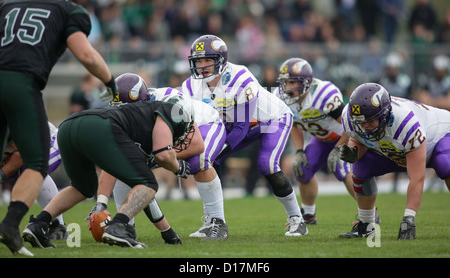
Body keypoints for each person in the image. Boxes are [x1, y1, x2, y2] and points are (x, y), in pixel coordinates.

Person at [0, 0, 118, 256]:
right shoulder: (69, 11)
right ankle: (10, 226)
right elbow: (86, 54)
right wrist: (110, 82)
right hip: (20, 84)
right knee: (36, 163)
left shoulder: (6, 6)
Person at [22, 95, 203, 249]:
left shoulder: (139, 123)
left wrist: (167, 232)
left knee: (83, 187)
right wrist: (178, 167)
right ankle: (117, 227)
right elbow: (163, 155)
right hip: (99, 126)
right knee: (148, 183)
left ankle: (38, 223)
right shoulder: (172, 109)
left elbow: (142, 194)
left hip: (69, 126)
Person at [182, 34, 308, 236]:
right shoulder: (189, 87)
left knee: (267, 165)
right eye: (199, 61)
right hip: (235, 123)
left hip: (270, 120)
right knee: (205, 161)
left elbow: (241, 126)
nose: (203, 65)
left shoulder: (240, 77)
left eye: (208, 60)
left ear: (221, 61)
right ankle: (215, 222)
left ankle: (297, 219)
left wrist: (216, 151)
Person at [92, 72, 228, 241]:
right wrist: (101, 203)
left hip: (205, 124)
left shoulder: (171, 103)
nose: (123, 115)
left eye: (127, 110)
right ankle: (125, 227)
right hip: (169, 140)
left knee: (199, 162)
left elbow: (196, 145)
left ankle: (217, 222)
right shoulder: (132, 115)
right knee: (123, 167)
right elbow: (113, 162)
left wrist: (157, 158)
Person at [338, 83, 450, 239]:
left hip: (439, 137)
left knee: (446, 164)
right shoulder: (352, 118)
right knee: (361, 165)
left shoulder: (405, 124)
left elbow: (417, 177)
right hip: (395, 149)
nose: (364, 127)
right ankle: (366, 224)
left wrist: (408, 218)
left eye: (369, 121)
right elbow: (359, 140)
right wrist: (354, 152)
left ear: (384, 114)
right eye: (360, 122)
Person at [275, 57, 356, 225]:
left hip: (345, 136)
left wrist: (339, 148)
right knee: (301, 167)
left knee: (341, 168)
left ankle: (369, 213)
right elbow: (294, 124)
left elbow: (350, 124)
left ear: (306, 82)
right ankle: (309, 215)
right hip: (321, 139)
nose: (288, 87)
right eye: (285, 82)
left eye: (293, 82)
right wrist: (299, 151)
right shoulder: (281, 97)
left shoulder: (322, 94)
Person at [1, 122, 68, 240]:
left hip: (48, 139)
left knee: (33, 171)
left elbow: (20, 156)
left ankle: (58, 226)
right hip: (30, 148)